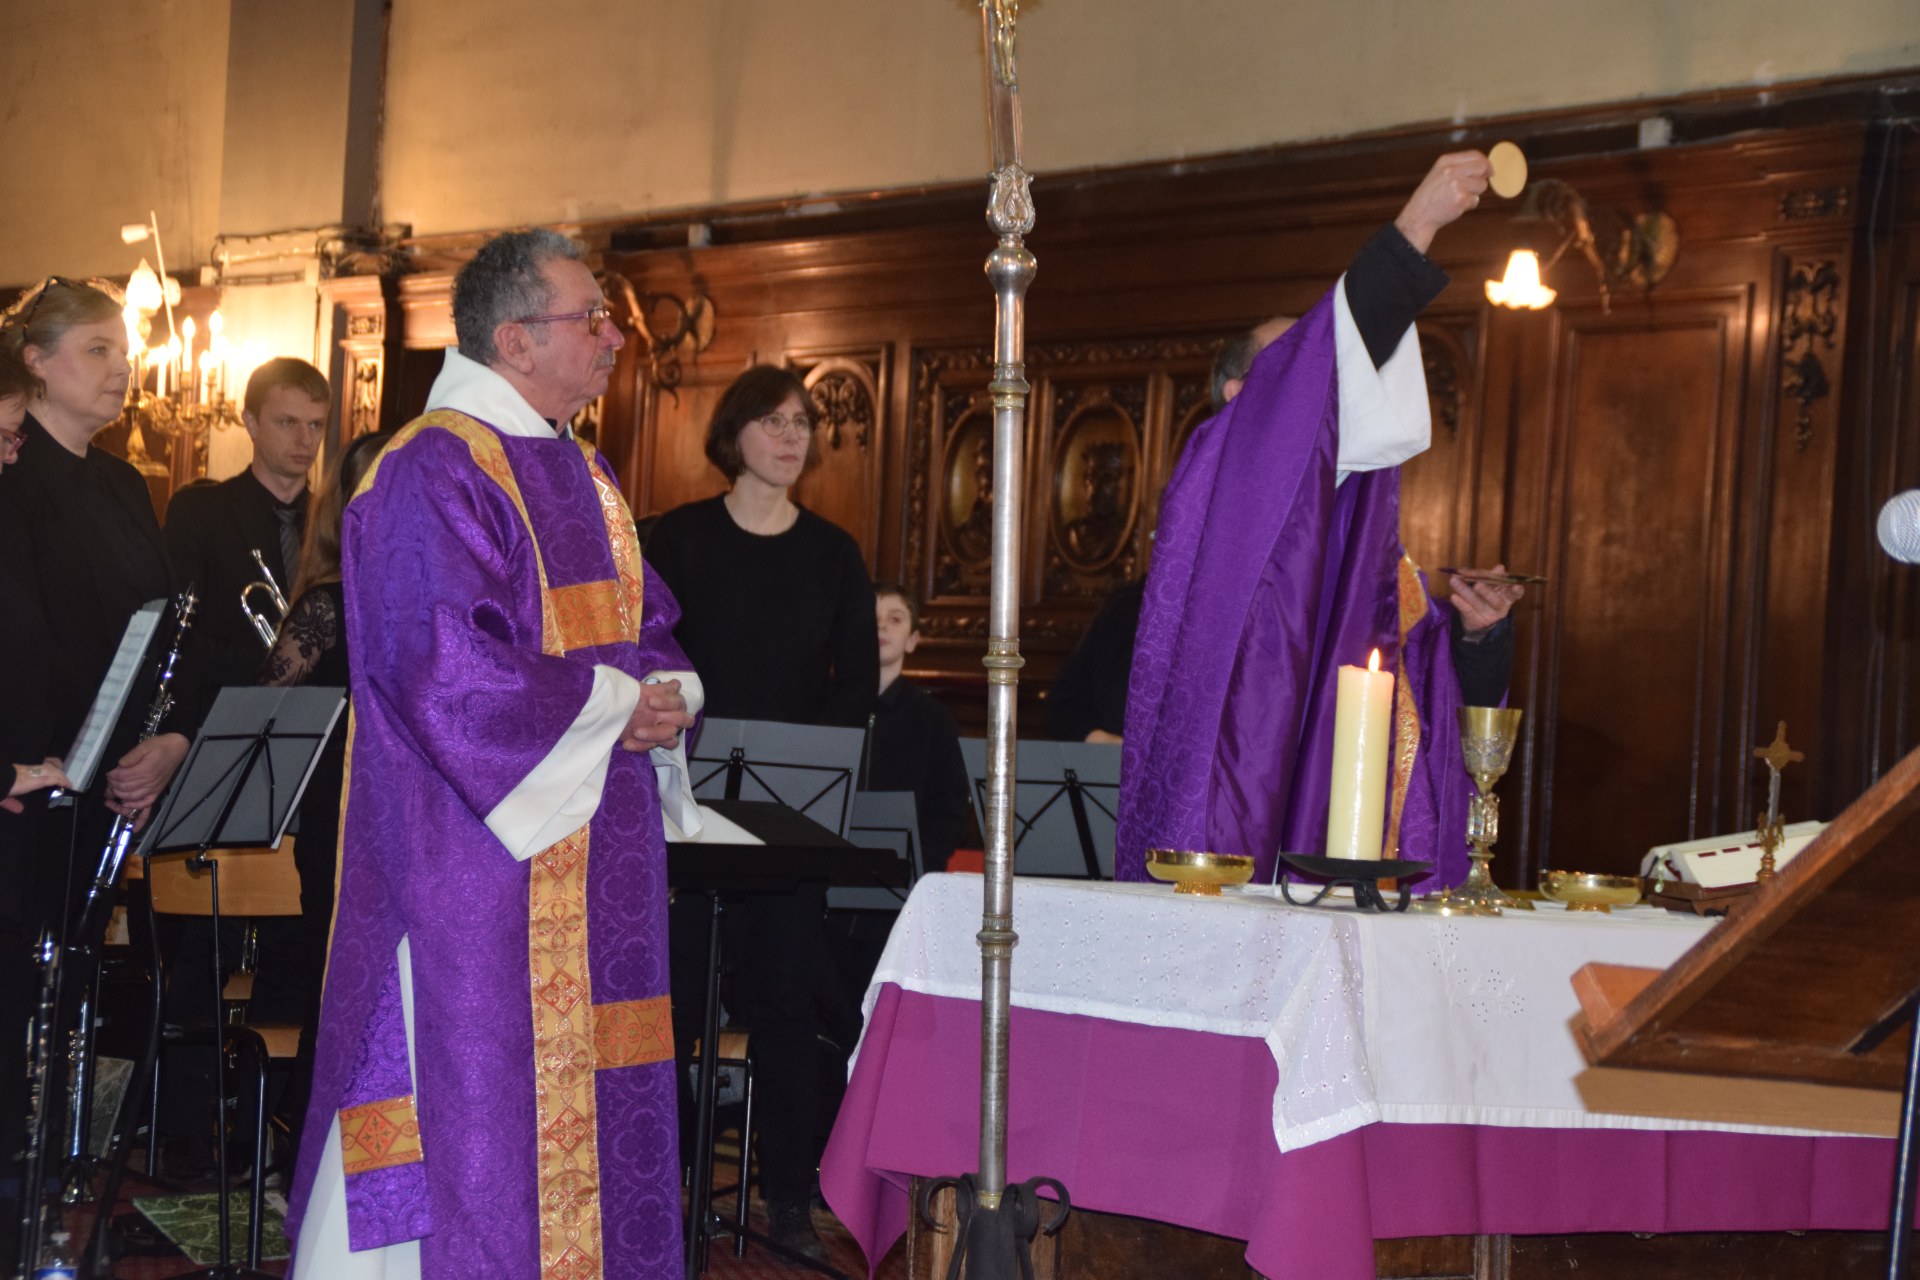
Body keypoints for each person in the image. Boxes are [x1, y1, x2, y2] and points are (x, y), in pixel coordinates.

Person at [285, 230, 696, 1280]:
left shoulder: (587, 470)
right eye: (590, 318)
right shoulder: (433, 467)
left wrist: (666, 691)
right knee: (476, 1107)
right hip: (475, 862)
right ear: (514, 338)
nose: (612, 337)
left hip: (596, 845)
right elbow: (442, 667)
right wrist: (618, 705)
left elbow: (642, 628)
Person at [1116, 152, 1501, 891]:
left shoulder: (1362, 549)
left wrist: (1481, 641)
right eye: (1299, 365)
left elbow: (1426, 685)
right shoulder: (1216, 471)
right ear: (1241, 395)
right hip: (1232, 825)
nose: (1327, 385)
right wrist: (1412, 228)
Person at [645, 364, 877, 1263]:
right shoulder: (680, 539)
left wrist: (799, 762)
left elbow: (854, 685)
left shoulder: (833, 554)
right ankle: (665, 1183)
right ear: (734, 434)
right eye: (773, 422)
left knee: (784, 1004)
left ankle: (786, 1200)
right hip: (684, 809)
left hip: (788, 817)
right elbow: (650, 654)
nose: (791, 438)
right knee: (672, 1006)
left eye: (802, 423)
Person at [257, 426, 392, 1164]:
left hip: (414, 826)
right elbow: (265, 713)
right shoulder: (327, 604)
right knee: (334, 987)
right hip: (339, 822)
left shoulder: (437, 599)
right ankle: (308, 1157)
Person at [164, 357, 329, 693]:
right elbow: (178, 632)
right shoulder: (200, 513)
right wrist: (280, 664)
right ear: (251, 424)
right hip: (220, 709)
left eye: (316, 425)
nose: (305, 440)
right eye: (287, 422)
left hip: (317, 719)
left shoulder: (336, 524)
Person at [867, 583, 971, 877]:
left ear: (912, 640)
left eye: (895, 619)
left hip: (903, 875)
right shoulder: (829, 706)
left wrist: (917, 867)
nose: (881, 625)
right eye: (871, 616)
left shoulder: (934, 720)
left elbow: (949, 811)